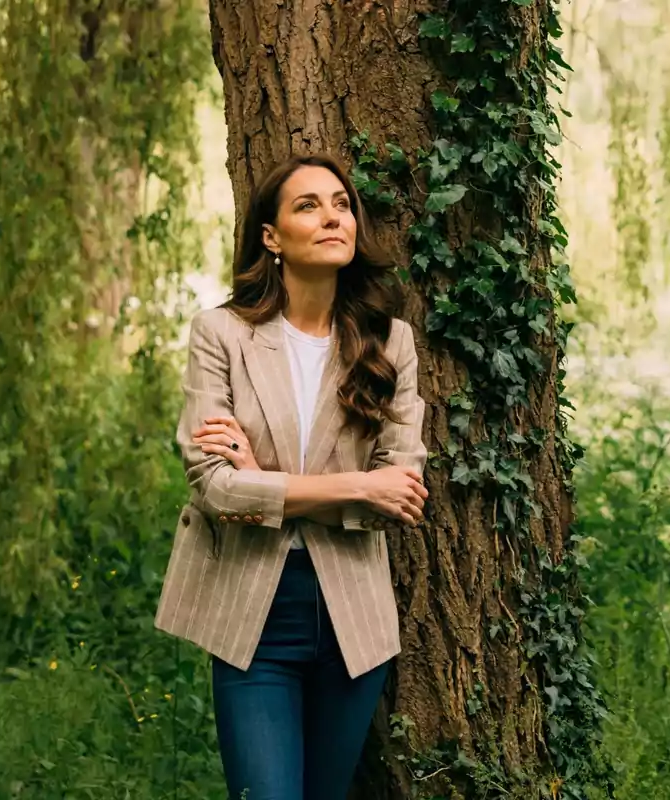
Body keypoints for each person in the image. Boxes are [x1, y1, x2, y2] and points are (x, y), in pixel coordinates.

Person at [154, 152, 429, 800]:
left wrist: (265, 481)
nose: (332, 216)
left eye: (341, 204)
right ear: (271, 238)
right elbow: (217, 489)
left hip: (351, 617)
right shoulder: (220, 334)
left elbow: (402, 495)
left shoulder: (390, 343)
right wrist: (359, 484)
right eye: (308, 205)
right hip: (252, 613)